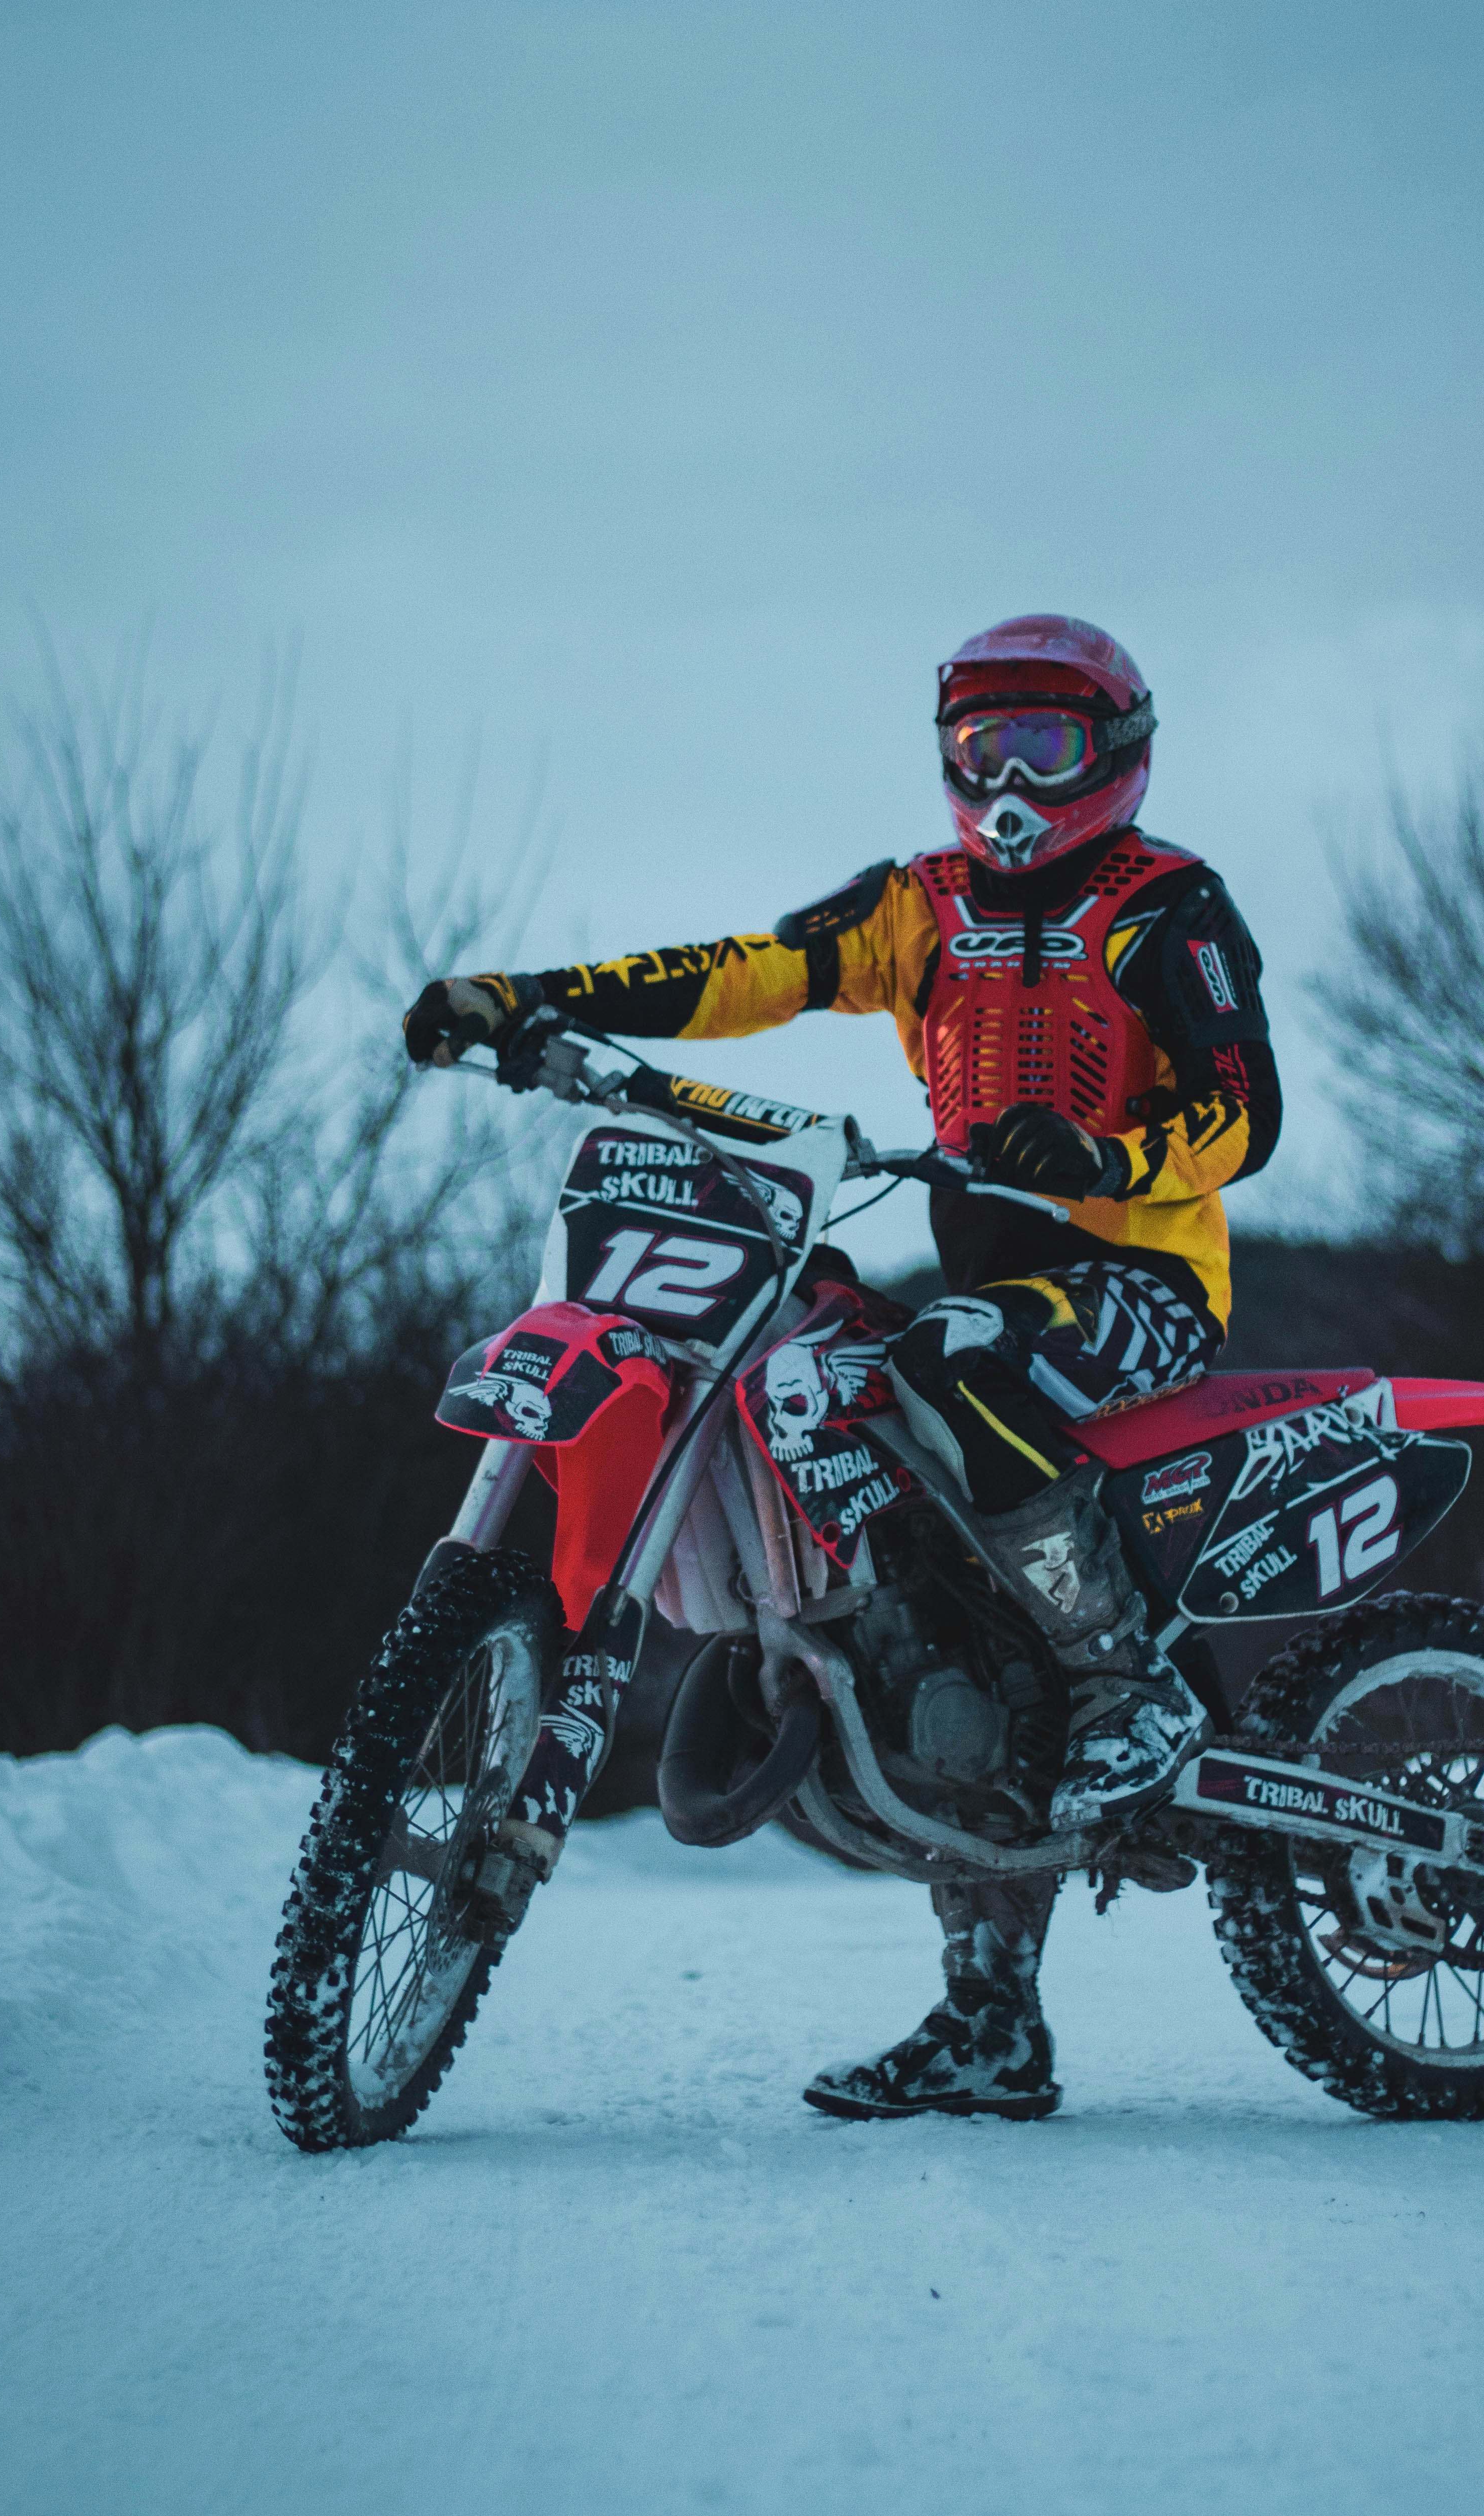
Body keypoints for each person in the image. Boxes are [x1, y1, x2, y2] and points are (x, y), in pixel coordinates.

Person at [403, 613, 1281, 2120]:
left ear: (1116, 757)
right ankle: (992, 2016)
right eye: (979, 746)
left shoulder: (1166, 907)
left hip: (1139, 1286)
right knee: (862, 1438)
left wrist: (1107, 1153)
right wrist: (539, 997)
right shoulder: (919, 908)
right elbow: (751, 969)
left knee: (946, 1356)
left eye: (1043, 747)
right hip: (984, 1296)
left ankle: (1121, 1683)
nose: (1007, 778)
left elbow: (1246, 1109)